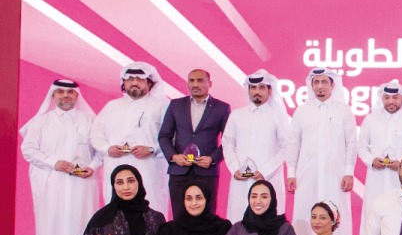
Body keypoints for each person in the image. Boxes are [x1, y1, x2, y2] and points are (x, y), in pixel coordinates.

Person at [20, 78, 101, 235]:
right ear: (53, 96)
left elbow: (100, 152)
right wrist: (54, 163)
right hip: (51, 183)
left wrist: (91, 167)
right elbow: (28, 150)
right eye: (60, 92)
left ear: (76, 96)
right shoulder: (41, 122)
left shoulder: (90, 121)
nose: (65, 95)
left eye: (70, 92)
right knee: (51, 223)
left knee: (82, 223)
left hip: (82, 183)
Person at [285, 69, 358, 235]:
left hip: (336, 176)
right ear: (311, 86)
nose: (319, 87)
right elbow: (293, 143)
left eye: (324, 82)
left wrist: (349, 172)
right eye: (316, 82)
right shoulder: (302, 111)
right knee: (305, 213)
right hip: (306, 175)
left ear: (333, 85)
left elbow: (351, 143)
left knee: (337, 213)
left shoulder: (343, 110)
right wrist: (291, 173)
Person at [90, 62, 170, 216]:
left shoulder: (162, 105)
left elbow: (172, 137)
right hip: (115, 164)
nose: (134, 83)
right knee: (116, 214)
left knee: (150, 210)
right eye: (130, 79)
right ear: (123, 83)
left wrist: (152, 149)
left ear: (149, 82)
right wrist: (107, 148)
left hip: (149, 168)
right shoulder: (112, 106)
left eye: (140, 79)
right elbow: (96, 134)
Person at [158, 69, 231, 218]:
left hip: (206, 172)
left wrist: (212, 159)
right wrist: (173, 157)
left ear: (210, 84)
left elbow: (228, 141)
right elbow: (164, 136)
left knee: (206, 217)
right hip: (179, 171)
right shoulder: (175, 105)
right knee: (179, 216)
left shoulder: (222, 108)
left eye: (200, 80)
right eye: (191, 80)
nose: (195, 84)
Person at [223, 69, 290, 222]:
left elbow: (286, 147)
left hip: (269, 178)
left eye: (261, 88)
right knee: (238, 222)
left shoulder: (278, 117)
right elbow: (227, 143)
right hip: (241, 181)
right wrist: (235, 169)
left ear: (270, 90)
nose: (257, 92)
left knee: (268, 224)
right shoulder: (237, 115)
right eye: (253, 88)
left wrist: (265, 171)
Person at [358, 79, 402, 211]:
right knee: (373, 213)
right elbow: (361, 146)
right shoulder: (371, 119)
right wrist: (372, 161)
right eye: (387, 98)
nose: (391, 101)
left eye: (395, 98)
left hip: (401, 179)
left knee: (399, 213)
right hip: (376, 178)